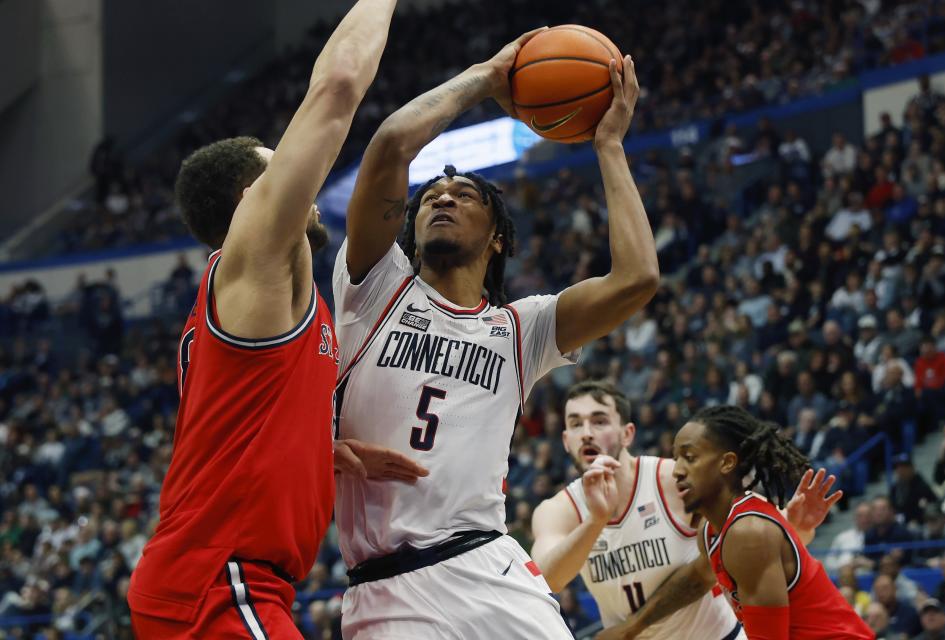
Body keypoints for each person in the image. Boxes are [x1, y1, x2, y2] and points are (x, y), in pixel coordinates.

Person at [332, 34, 658, 639]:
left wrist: (608, 145)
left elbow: (637, 279)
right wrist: (486, 76)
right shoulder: (375, 286)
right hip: (385, 587)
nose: (443, 199)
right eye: (431, 197)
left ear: (499, 238)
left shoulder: (520, 329)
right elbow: (390, 146)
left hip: (490, 567)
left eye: (463, 195)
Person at [126, 3, 428, 637]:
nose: (306, 185)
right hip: (219, 579)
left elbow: (239, 421)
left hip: (222, 580)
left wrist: (316, 449)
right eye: (278, 166)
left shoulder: (261, 297)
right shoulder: (256, 258)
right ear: (251, 200)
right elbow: (340, 85)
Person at [532, 381, 840, 639]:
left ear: (628, 434)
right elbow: (548, 581)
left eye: (599, 421)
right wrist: (597, 520)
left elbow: (758, 542)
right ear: (566, 441)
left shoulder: (673, 479)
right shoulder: (557, 510)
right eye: (575, 424)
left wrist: (798, 527)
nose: (586, 432)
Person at [670, 405, 874, 639]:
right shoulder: (711, 531)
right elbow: (694, 581)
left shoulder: (747, 532)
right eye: (675, 458)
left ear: (727, 463)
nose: (676, 470)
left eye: (689, 457)